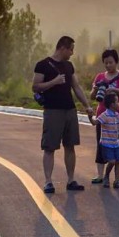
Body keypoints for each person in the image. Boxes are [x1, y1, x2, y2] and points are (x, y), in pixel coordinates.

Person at [32, 36, 94, 194]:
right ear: (62, 48)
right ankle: (48, 182)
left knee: (70, 145)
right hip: (52, 110)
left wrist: (87, 105)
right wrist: (54, 81)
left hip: (70, 110)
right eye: (71, 49)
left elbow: (76, 87)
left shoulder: (68, 66)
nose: (72, 53)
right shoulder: (43, 65)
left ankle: (71, 180)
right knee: (49, 147)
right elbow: (35, 86)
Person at [89, 49, 119, 184]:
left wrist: (114, 90)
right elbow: (92, 96)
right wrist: (96, 89)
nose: (108, 65)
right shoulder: (99, 77)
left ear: (116, 62)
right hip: (102, 116)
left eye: (111, 62)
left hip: (118, 115)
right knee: (101, 142)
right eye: (106, 63)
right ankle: (100, 174)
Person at [87, 92, 119, 188]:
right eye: (117, 101)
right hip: (106, 144)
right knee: (111, 161)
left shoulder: (116, 114)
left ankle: (116, 181)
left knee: (118, 161)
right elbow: (95, 123)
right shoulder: (105, 115)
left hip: (116, 143)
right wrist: (90, 117)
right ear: (112, 104)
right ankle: (106, 176)